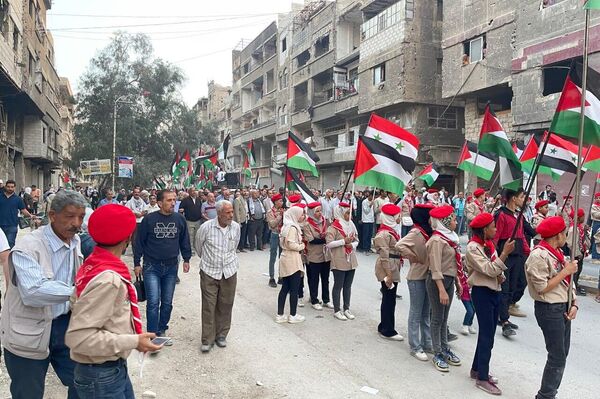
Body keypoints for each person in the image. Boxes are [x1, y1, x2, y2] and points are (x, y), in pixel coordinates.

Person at [65, 205, 161, 399]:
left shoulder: (94, 263)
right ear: (128, 239)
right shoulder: (109, 280)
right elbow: (79, 338)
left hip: (109, 368)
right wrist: (134, 341)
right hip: (101, 375)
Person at [0, 190, 87, 399]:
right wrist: (77, 292)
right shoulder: (28, 246)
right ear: (52, 215)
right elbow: (32, 291)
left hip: (64, 326)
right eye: (70, 216)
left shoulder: (76, 242)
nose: (76, 223)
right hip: (28, 330)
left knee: (84, 383)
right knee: (27, 393)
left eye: (81, 217)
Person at [525, 216, 578, 399]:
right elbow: (541, 288)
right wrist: (566, 271)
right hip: (549, 309)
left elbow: (567, 283)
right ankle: (545, 396)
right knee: (557, 356)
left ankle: (550, 393)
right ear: (558, 235)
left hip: (563, 306)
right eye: (564, 233)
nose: (565, 236)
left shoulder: (557, 253)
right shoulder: (538, 255)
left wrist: (574, 304)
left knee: (562, 354)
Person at [466, 213, 514, 396]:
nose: (495, 229)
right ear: (484, 229)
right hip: (482, 293)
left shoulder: (488, 245)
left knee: (489, 334)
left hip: (495, 292)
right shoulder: (473, 247)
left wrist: (500, 274)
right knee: (487, 336)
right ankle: (482, 378)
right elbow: (488, 269)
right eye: (493, 226)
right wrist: (504, 254)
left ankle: (477, 369)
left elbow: (495, 270)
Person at [133, 190, 191, 340]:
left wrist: (186, 259)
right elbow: (139, 241)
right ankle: (152, 335)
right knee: (153, 301)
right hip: (151, 266)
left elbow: (184, 240)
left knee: (167, 302)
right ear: (159, 203)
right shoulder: (149, 219)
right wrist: (137, 262)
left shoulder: (179, 219)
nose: (173, 203)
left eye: (174, 200)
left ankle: (162, 329)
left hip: (171, 267)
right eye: (169, 200)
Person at [195, 200, 241, 353]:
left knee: (226, 304)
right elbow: (198, 247)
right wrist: (210, 261)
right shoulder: (206, 227)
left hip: (229, 271)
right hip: (209, 271)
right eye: (227, 213)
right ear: (219, 213)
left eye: (231, 212)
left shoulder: (235, 227)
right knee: (209, 306)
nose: (231, 215)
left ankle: (221, 335)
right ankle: (207, 339)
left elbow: (234, 247)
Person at [396, 203, 434, 361]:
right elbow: (399, 245)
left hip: (428, 275)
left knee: (426, 313)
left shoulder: (429, 231)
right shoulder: (416, 232)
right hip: (417, 277)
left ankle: (427, 342)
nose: (432, 218)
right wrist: (413, 256)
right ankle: (415, 346)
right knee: (416, 313)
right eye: (430, 215)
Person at [426, 204, 462, 372]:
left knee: (444, 318)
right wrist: (441, 289)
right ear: (445, 221)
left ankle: (445, 347)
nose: (456, 221)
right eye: (453, 219)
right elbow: (435, 267)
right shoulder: (436, 240)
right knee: (437, 317)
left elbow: (453, 263)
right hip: (437, 282)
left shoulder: (451, 238)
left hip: (449, 280)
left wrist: (458, 282)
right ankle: (437, 353)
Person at [493, 188, 529, 330]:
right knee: (504, 288)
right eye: (521, 197)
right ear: (513, 198)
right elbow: (496, 237)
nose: (523, 200)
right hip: (506, 255)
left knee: (514, 286)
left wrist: (528, 251)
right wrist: (495, 256)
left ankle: (502, 314)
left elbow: (521, 236)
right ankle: (504, 321)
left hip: (518, 255)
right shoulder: (501, 214)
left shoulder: (518, 215)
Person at [373, 204, 404, 341]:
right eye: (398, 216)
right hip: (388, 266)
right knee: (389, 299)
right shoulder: (383, 234)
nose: (400, 218)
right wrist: (389, 275)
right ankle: (387, 330)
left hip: (393, 264)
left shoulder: (391, 230)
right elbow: (384, 256)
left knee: (389, 298)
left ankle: (384, 325)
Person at [325, 203, 359, 321]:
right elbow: (329, 243)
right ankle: (337, 310)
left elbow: (357, 240)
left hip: (351, 259)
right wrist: (343, 241)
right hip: (339, 258)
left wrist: (352, 244)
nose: (349, 216)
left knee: (348, 286)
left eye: (350, 213)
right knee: (338, 285)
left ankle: (346, 308)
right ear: (340, 213)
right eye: (347, 213)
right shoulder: (333, 227)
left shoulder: (351, 225)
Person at [275, 206, 306, 324]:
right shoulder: (292, 228)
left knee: (285, 288)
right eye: (301, 214)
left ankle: (280, 314)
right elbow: (290, 244)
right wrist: (302, 246)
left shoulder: (286, 226)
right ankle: (293, 315)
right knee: (294, 289)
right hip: (292, 258)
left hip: (286, 257)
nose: (302, 216)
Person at [303, 202, 332, 310]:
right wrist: (325, 239)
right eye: (317, 211)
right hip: (314, 255)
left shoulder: (325, 221)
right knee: (314, 279)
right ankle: (314, 300)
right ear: (311, 212)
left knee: (326, 278)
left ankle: (326, 299)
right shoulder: (307, 224)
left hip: (325, 254)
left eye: (320, 210)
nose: (320, 213)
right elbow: (311, 240)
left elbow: (330, 233)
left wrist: (326, 237)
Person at [0, 180, 35, 248]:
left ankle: (9, 258)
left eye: (12, 187)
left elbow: (23, 210)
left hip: (12, 225)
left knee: (10, 243)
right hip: (0, 225)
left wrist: (31, 215)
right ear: (5, 187)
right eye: (8, 187)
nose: (10, 188)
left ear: (14, 188)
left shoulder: (18, 199)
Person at [566, 208, 590, 297]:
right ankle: (573, 288)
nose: (584, 217)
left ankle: (576, 285)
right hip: (576, 254)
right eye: (583, 215)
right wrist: (577, 253)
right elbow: (571, 243)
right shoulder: (573, 229)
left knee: (579, 270)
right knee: (575, 272)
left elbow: (583, 239)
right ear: (579, 217)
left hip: (581, 252)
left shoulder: (580, 227)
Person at [266, 193, 284, 287]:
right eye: (280, 201)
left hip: (282, 235)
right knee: (273, 256)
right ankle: (271, 277)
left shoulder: (284, 210)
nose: (282, 202)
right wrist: (280, 216)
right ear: (275, 202)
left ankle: (281, 276)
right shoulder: (270, 212)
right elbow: (272, 224)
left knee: (282, 257)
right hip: (274, 234)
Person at [179, 188, 204, 255]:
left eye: (195, 191)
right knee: (190, 236)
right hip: (189, 220)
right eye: (192, 191)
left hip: (198, 220)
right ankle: (191, 250)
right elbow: (180, 209)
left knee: (197, 235)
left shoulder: (198, 200)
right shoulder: (185, 200)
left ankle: (197, 249)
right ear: (189, 192)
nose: (194, 192)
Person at [125, 187, 148, 255]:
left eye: (138, 192)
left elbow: (146, 210)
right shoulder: (129, 202)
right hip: (133, 222)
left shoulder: (142, 202)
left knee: (141, 237)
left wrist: (141, 214)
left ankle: (140, 250)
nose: (136, 194)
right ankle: (135, 251)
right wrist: (134, 214)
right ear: (133, 193)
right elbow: (127, 211)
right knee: (134, 238)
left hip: (141, 222)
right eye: (135, 192)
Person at [590, 193, 600, 262]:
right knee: (596, 239)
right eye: (597, 198)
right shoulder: (594, 206)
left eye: (599, 198)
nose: (598, 199)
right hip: (597, 223)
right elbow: (595, 214)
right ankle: (595, 256)